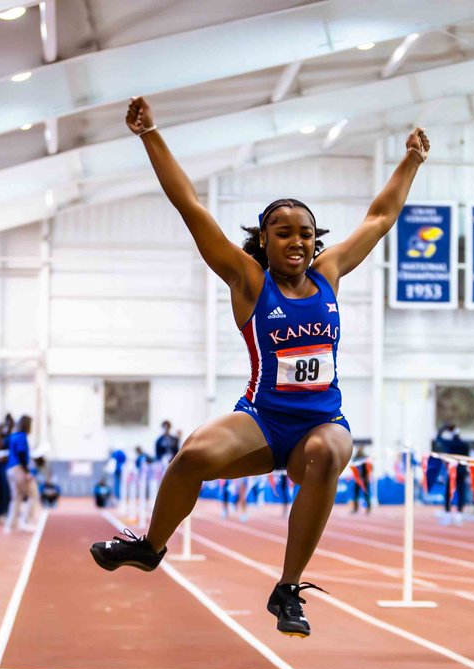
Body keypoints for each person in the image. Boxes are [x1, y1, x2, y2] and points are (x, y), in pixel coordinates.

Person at [91, 96, 429, 638]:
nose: (298, 241)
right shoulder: (250, 282)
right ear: (264, 241)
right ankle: (151, 546)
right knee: (192, 455)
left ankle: (288, 588)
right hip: (263, 419)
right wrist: (150, 133)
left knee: (328, 452)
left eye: (306, 233)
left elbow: (381, 216)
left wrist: (410, 161)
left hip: (320, 424)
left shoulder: (330, 272)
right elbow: (191, 208)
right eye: (284, 232)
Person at [5, 415, 41, 533]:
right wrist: (27, 472)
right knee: (33, 494)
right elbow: (21, 454)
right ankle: (25, 521)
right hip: (18, 468)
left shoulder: (13, 436)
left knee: (16, 497)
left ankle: (10, 524)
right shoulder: (22, 437)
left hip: (10, 468)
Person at [351, 445, 371, 514]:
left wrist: (367, 477)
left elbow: (370, 467)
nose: (359, 450)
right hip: (357, 479)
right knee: (356, 494)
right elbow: (352, 467)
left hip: (364, 479)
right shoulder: (355, 458)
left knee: (366, 494)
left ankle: (368, 508)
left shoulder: (365, 458)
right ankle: (355, 508)